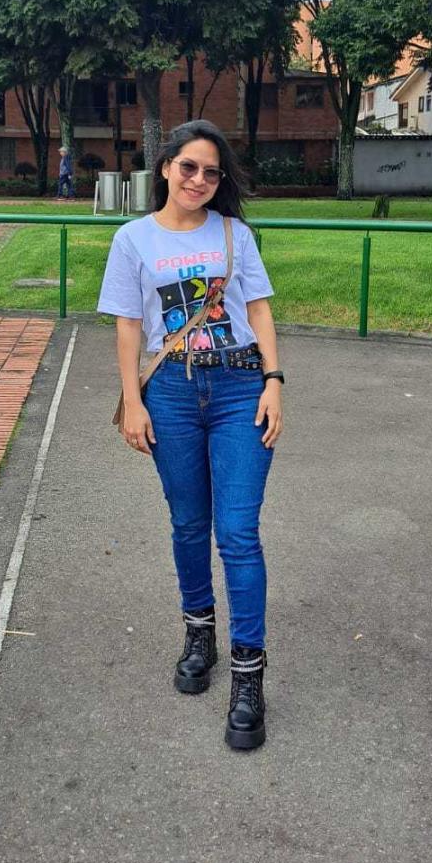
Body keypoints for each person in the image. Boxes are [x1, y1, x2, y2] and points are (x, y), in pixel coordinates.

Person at [97, 119, 284, 750]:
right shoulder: (133, 239)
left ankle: (248, 677)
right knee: (187, 524)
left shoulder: (235, 234)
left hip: (239, 387)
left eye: (210, 172)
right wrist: (133, 402)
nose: (199, 180)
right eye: (188, 167)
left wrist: (274, 381)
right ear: (165, 168)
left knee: (238, 532)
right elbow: (128, 325)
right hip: (171, 393)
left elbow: (258, 309)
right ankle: (199, 631)